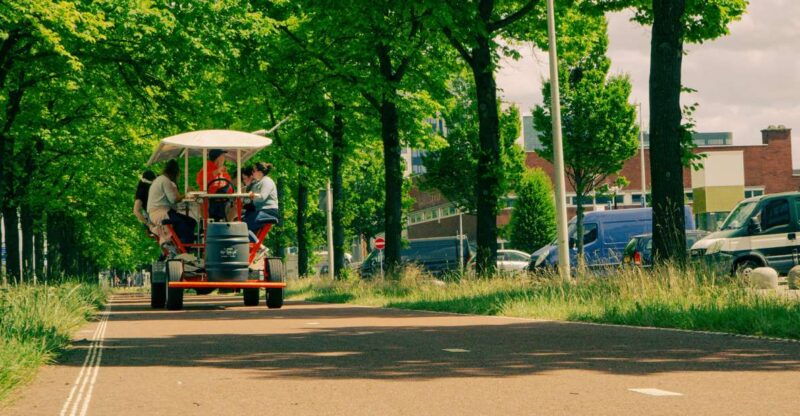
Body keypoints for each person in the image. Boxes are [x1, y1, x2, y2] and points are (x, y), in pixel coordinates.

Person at [147, 159, 197, 245]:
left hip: (156, 212)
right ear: (175, 173)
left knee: (190, 221)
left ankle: (184, 243)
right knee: (184, 224)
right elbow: (174, 200)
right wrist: (187, 194)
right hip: (161, 212)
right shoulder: (165, 181)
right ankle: (184, 244)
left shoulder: (159, 180)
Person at [245, 162, 280, 232]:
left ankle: (248, 238)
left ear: (260, 172)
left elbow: (262, 197)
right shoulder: (256, 183)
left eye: (254, 171)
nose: (252, 173)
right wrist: (248, 186)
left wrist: (252, 196)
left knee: (245, 225)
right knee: (243, 221)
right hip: (260, 210)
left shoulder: (267, 181)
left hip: (269, 211)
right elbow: (247, 200)